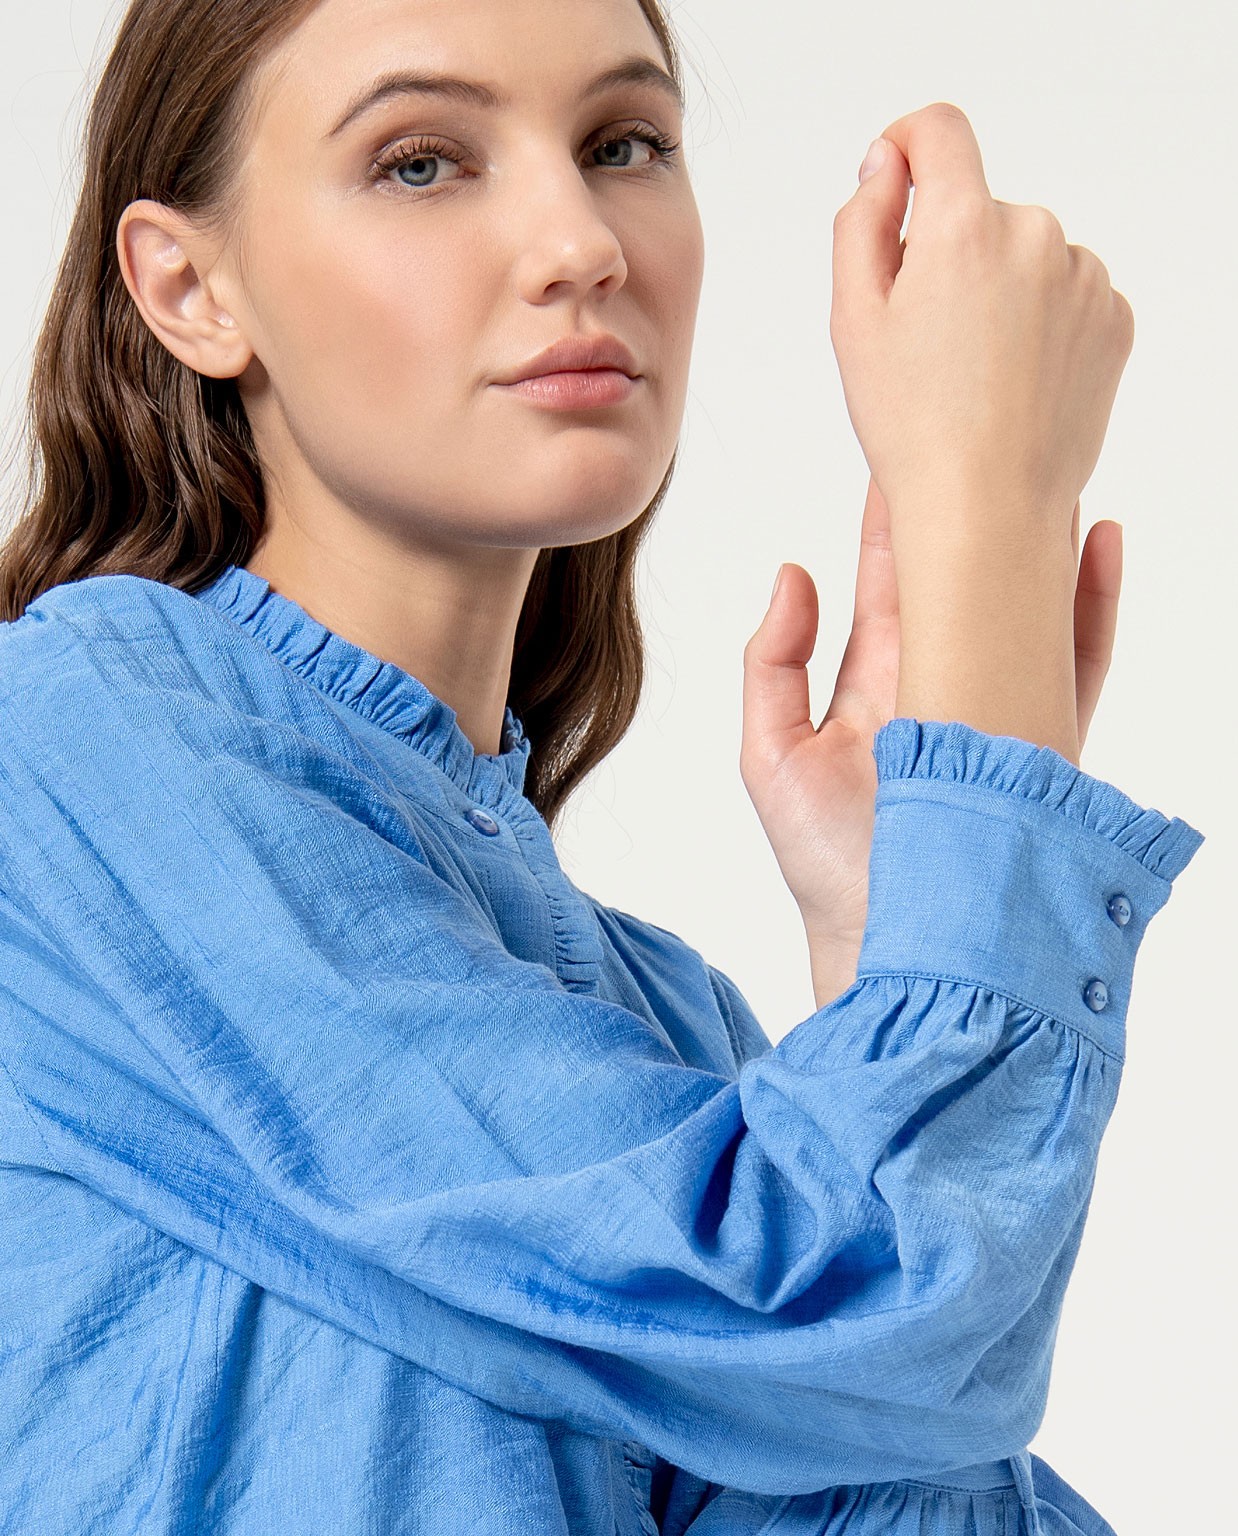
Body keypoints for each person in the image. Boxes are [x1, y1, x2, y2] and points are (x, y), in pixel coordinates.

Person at [0, 0, 1203, 1532]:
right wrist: (981, 506)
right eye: (423, 161)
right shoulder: (82, 736)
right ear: (190, 286)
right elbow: (831, 1306)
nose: (580, 242)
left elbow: (878, 1406)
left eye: (622, 143)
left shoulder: (664, 1032)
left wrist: (884, 942)